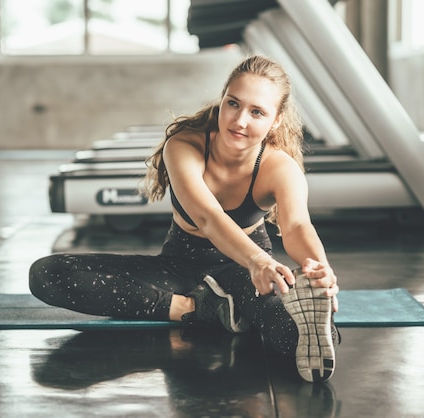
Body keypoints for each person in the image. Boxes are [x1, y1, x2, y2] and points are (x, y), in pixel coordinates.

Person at [29, 54, 340, 383]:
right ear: (222, 100)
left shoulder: (279, 167)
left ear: (276, 121)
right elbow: (207, 217)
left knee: (309, 340)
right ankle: (205, 310)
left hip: (242, 272)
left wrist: (318, 268)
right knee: (47, 274)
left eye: (257, 112)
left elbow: (295, 226)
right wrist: (259, 262)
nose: (240, 121)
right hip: (180, 267)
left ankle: (228, 308)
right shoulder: (183, 147)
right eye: (233, 103)